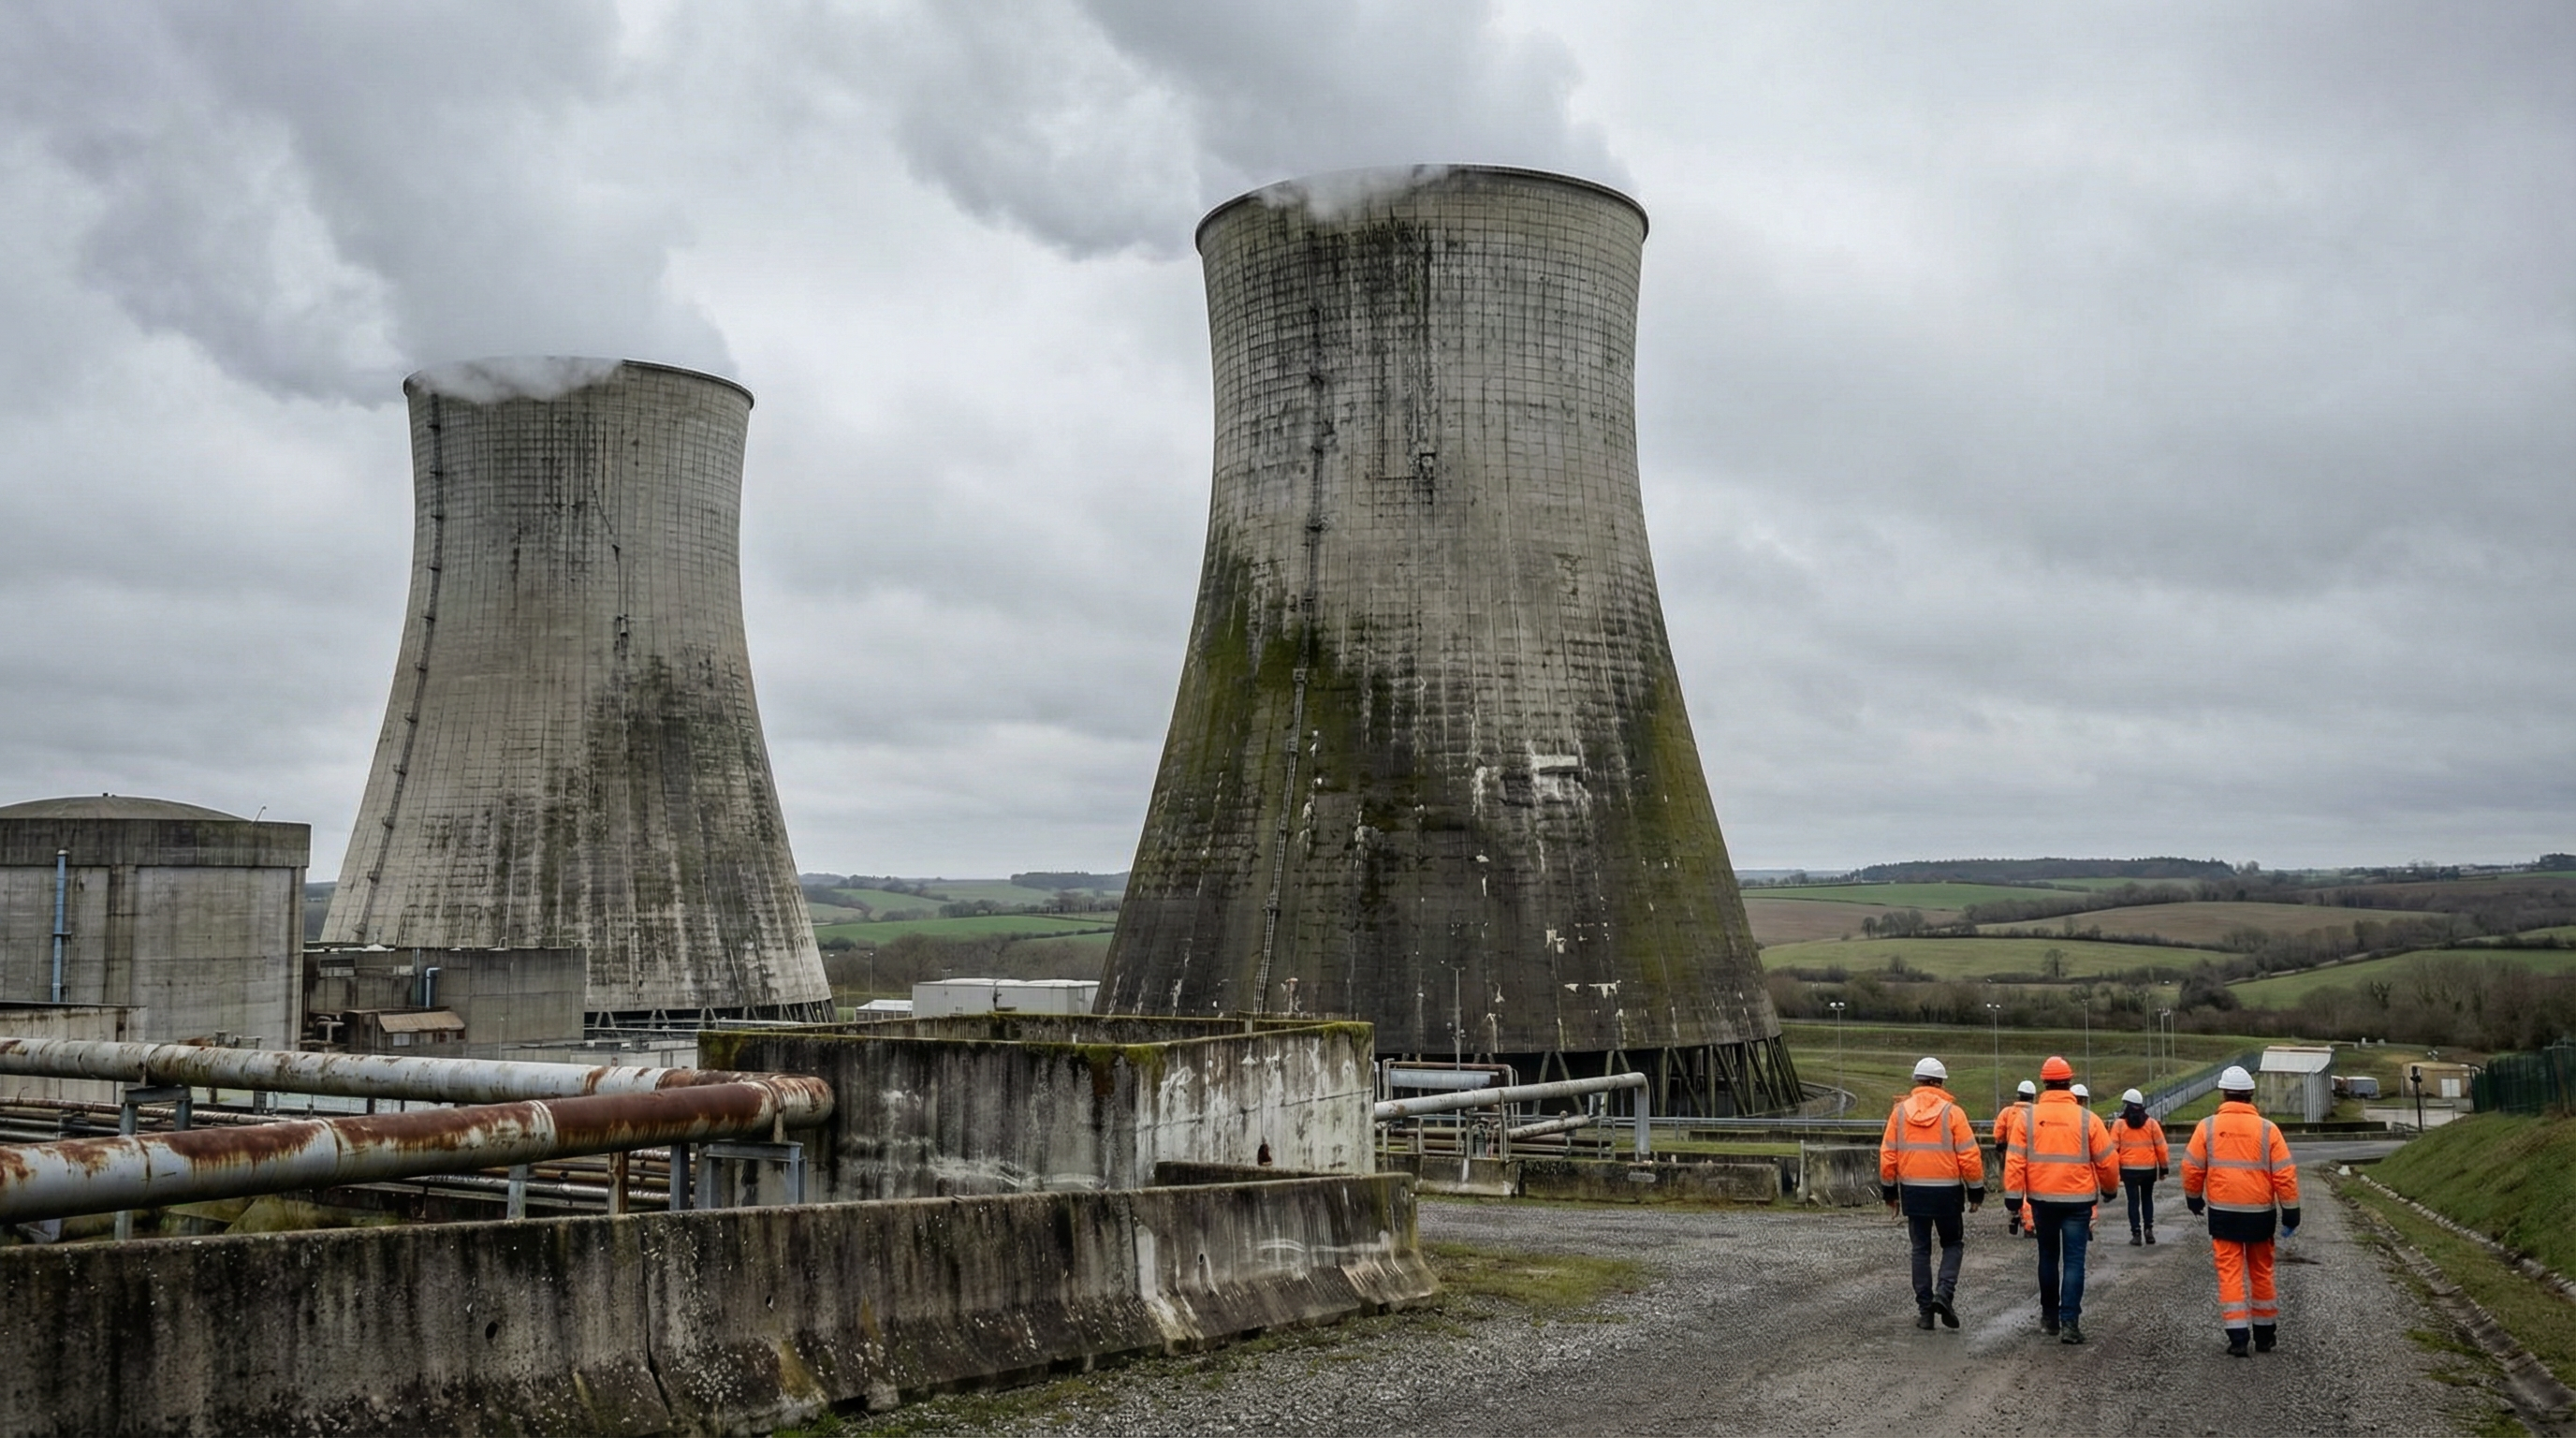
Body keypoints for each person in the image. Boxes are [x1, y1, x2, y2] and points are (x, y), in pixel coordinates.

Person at [2182, 1066, 2302, 1357]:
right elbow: (2284, 1175)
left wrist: (2194, 1198)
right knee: (2262, 1272)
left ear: (2224, 1094)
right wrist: (2291, 1211)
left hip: (2223, 1213)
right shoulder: (2268, 1129)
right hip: (2260, 1213)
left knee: (2230, 1274)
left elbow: (2191, 1167)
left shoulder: (2207, 1127)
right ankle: (2265, 1335)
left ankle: (2237, 1338)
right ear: (2250, 1095)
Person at [2006, 1054, 2118, 1343]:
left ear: (2044, 1083)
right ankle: (2070, 1323)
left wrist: (2013, 1200)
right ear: (2069, 1082)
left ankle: (2049, 1318)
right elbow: (2107, 1161)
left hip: (2042, 1200)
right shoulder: (2088, 1119)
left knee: (2047, 1257)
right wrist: (2109, 1189)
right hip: (2078, 1202)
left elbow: (2015, 1161)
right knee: (2074, 1261)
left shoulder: (2027, 1118)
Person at [1880, 1056, 1986, 1330]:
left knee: (1920, 1249)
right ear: (1940, 1083)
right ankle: (1944, 1293)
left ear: (1917, 1081)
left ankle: (1925, 1311)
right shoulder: (1953, 1113)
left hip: (1913, 1191)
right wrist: (1975, 1192)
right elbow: (1969, 1157)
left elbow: (1888, 1155)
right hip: (1947, 1192)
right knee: (1952, 1243)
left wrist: (1890, 1192)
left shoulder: (1899, 1113)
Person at [2111, 1087, 2171, 1245]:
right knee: (2147, 1199)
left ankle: (2136, 1233)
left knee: (2133, 1201)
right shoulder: (2151, 1124)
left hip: (2128, 1170)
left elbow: (2112, 1150)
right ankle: (2149, 1230)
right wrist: (2164, 1168)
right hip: (2148, 1170)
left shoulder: (2119, 1125)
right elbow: (2162, 1148)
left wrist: (2114, 1171)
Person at [1992, 1079, 2038, 1235]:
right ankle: (2030, 1224)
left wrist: (2001, 1144)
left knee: (2013, 1188)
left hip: (2011, 1157)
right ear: (2033, 1096)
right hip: (2033, 1158)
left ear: (2019, 1095)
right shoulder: (2037, 1113)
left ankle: (2013, 1216)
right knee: (2029, 1189)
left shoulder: (2007, 1112)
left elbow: (1998, 1132)